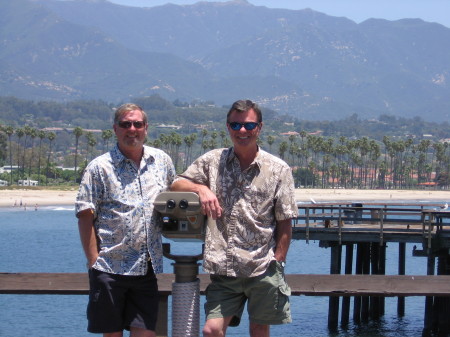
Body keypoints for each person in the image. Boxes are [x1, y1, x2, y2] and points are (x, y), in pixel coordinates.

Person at [170, 99, 298, 337]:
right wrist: (201, 189)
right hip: (224, 268)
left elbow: (285, 220)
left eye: (249, 126)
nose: (242, 131)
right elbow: (176, 182)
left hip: (263, 267)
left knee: (259, 330)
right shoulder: (212, 161)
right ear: (228, 127)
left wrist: (278, 262)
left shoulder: (278, 169)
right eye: (236, 125)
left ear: (259, 128)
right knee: (211, 330)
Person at [75, 103, 176, 337]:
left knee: (145, 334)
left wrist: (201, 191)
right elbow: (84, 214)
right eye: (125, 124)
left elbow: (176, 186)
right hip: (110, 268)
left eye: (137, 124)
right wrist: (93, 261)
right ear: (115, 128)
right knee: (112, 334)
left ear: (146, 128)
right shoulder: (99, 168)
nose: (132, 129)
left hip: (145, 268)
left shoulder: (161, 161)